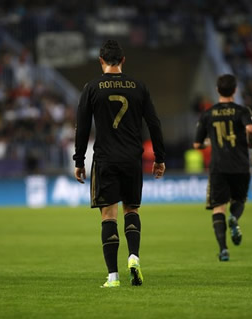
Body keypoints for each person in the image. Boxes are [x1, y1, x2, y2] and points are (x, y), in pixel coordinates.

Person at [73, 40, 166, 288]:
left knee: (108, 216)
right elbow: (154, 123)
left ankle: (113, 276)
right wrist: (159, 157)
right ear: (123, 60)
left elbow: (82, 127)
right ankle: (133, 257)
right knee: (132, 210)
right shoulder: (138, 87)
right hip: (132, 159)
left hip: (105, 159)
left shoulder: (92, 87)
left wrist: (79, 159)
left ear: (101, 61)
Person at [194, 74, 252, 261]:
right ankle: (234, 218)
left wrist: (209, 142)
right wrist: (250, 144)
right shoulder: (243, 111)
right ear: (235, 90)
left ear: (217, 90)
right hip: (240, 164)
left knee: (218, 207)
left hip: (218, 166)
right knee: (239, 199)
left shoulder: (208, 114)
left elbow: (197, 145)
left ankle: (223, 250)